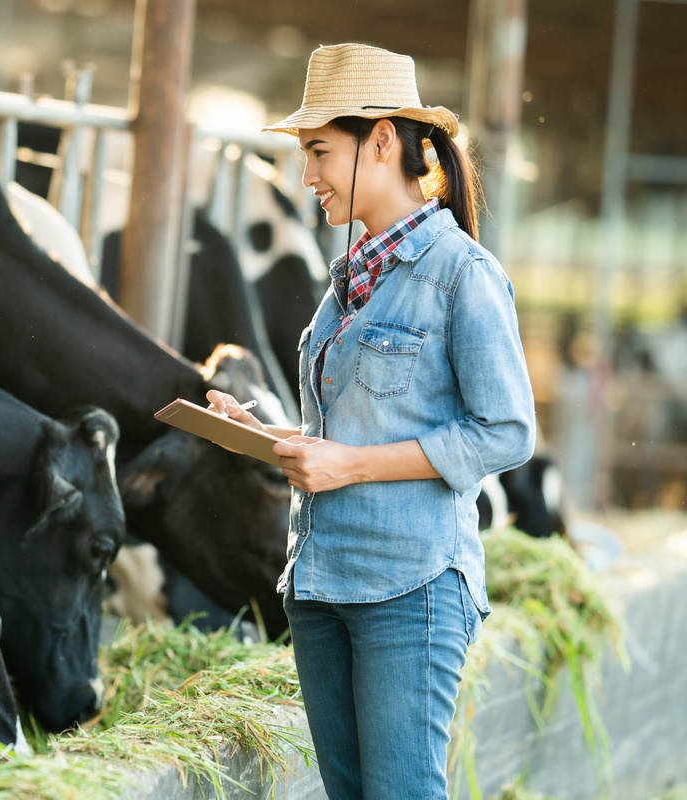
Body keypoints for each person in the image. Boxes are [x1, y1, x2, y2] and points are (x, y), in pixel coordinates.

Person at [206, 43, 536, 799]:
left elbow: (506, 431)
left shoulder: (461, 274)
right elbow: (351, 429)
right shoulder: (347, 282)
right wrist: (263, 430)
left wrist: (348, 467)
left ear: (383, 141)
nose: (307, 174)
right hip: (321, 584)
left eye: (320, 150)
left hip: (411, 589)